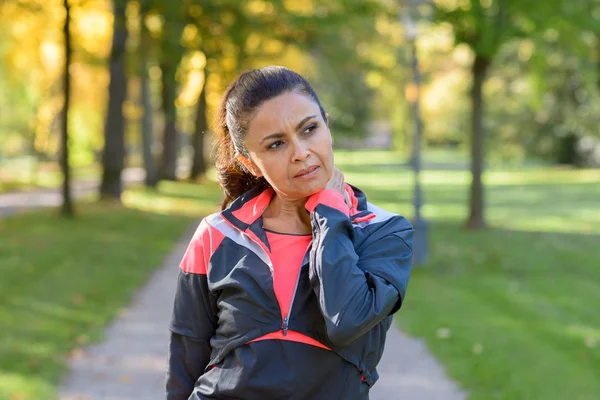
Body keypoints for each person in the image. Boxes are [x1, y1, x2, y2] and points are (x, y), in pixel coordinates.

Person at [166, 66, 413, 400]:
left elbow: (347, 320)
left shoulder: (383, 231)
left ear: (327, 125)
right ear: (250, 163)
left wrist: (329, 211)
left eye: (309, 129)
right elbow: (185, 362)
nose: (300, 152)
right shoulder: (217, 235)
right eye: (276, 144)